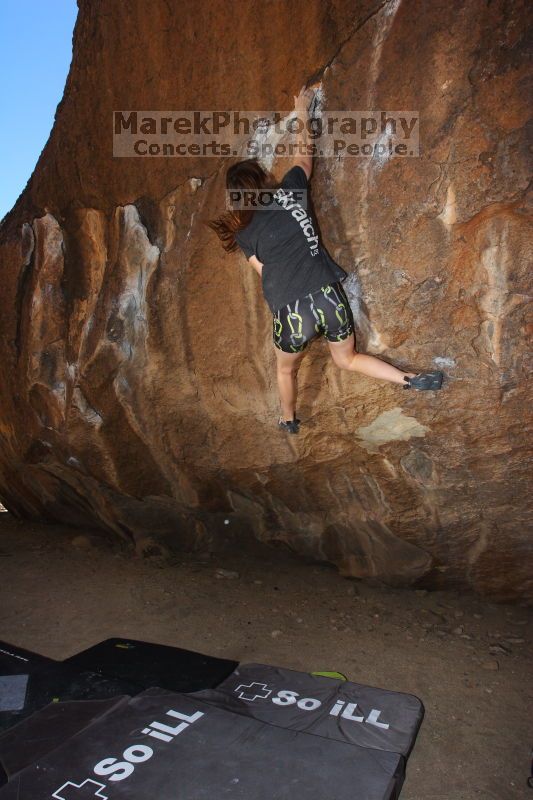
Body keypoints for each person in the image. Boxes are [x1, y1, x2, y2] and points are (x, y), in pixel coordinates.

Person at [208, 85, 443, 434]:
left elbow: (263, 271)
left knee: (285, 369)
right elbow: (304, 155)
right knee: (346, 359)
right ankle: (409, 380)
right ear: (262, 180)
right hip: (328, 296)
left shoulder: (244, 232)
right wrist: (303, 110)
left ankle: (288, 420)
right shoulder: (291, 189)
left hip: (291, 312)